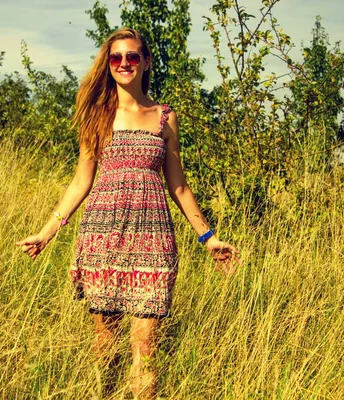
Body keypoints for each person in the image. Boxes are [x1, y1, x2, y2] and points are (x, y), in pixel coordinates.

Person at [16, 27, 240, 399]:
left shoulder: (165, 117)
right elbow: (80, 182)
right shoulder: (97, 115)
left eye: (132, 56)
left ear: (146, 61)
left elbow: (179, 186)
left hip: (153, 241)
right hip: (101, 240)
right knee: (106, 347)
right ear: (108, 64)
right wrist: (46, 232)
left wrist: (209, 237)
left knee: (145, 349)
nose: (124, 63)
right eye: (116, 57)